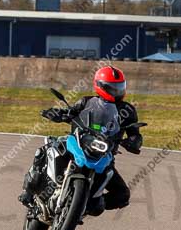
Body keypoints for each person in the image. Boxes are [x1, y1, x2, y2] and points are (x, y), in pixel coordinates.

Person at [18, 66, 143, 215]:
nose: (117, 91)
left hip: (104, 154)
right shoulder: (87, 101)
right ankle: (28, 191)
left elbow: (135, 133)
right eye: (112, 88)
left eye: (119, 87)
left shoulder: (128, 110)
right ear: (100, 86)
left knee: (123, 195)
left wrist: (133, 142)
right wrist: (58, 114)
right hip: (79, 142)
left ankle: (88, 204)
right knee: (47, 149)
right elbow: (70, 112)